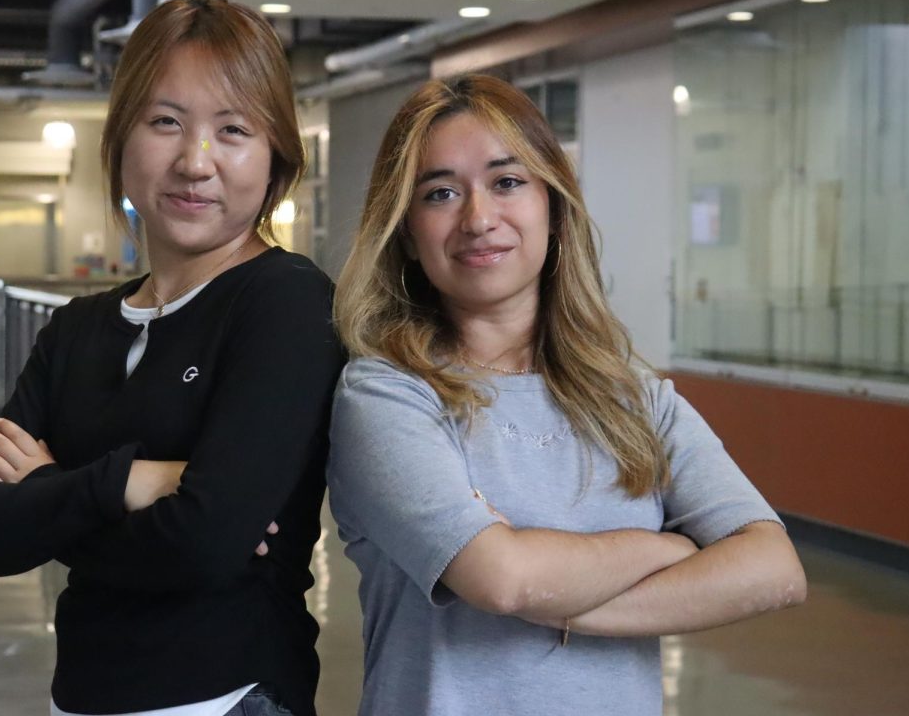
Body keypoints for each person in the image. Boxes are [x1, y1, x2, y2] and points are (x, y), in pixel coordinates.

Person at [327, 74, 806, 715]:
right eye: (440, 193)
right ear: (407, 232)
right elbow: (502, 580)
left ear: (553, 205)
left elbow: (774, 571)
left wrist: (566, 602)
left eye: (507, 181)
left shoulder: (636, 401)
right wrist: (666, 548)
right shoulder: (386, 397)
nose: (478, 217)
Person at [0, 0, 344, 716]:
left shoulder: (286, 303)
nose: (195, 161)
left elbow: (204, 544)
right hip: (82, 697)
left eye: (234, 130)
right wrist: (128, 485)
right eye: (166, 122)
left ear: (276, 155)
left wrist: (54, 488)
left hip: (228, 698)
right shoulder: (78, 328)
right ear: (122, 137)